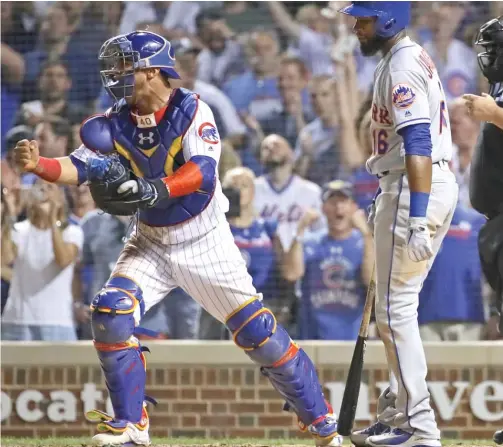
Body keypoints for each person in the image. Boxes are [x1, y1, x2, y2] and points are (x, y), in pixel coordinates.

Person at [13, 31, 342, 447]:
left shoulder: (192, 109)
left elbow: (203, 171)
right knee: (111, 312)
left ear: (152, 71)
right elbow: (81, 166)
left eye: (124, 65)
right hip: (149, 238)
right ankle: (132, 425)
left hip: (203, 238)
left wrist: (157, 189)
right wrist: (38, 164)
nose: (115, 74)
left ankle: (320, 421)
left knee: (257, 333)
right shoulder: (115, 118)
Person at [338, 3, 458, 447]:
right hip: (415, 184)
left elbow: (419, 140)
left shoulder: (402, 65)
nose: (355, 26)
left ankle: (419, 427)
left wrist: (418, 215)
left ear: (387, 19)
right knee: (396, 309)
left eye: (363, 19)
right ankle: (398, 415)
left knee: (394, 312)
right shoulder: (404, 57)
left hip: (415, 185)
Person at [462, 16, 503, 445]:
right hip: (497, 219)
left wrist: (494, 113)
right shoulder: (498, 88)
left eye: (493, 47)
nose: (486, 54)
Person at [282, 180, 374, 340]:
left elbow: (372, 280)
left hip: (352, 338)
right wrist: (300, 230)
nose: (338, 208)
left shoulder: (364, 243)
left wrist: (367, 234)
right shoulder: (310, 241)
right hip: (312, 337)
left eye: (344, 202)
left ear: (353, 208)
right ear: (323, 208)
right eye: (332, 202)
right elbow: (291, 274)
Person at [1, 180, 83, 341]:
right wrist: (10, 216)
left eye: (49, 187)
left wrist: (52, 220)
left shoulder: (72, 232)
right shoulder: (20, 230)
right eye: (38, 187)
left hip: (57, 323)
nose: (42, 190)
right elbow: (4, 258)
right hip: (17, 321)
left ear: (60, 197)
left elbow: (63, 260)